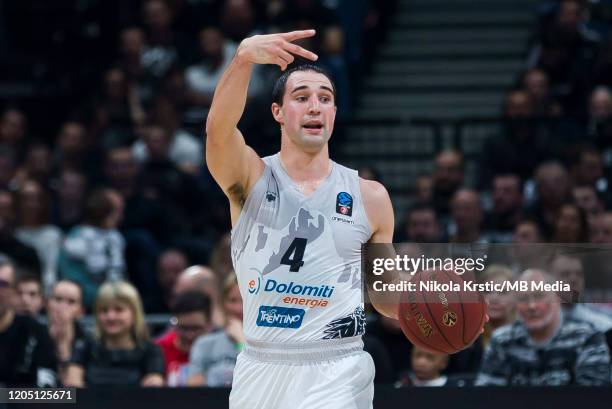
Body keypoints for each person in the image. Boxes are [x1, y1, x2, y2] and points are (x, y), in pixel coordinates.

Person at [205, 29, 398, 408]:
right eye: (302, 97)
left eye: (325, 99)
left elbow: (386, 297)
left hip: (339, 364)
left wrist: (439, 302)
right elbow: (218, 132)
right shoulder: (251, 178)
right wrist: (242, 58)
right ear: (277, 112)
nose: (315, 106)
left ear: (334, 114)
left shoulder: (370, 196)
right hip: (262, 363)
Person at [476, 269, 610, 386]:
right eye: (523, 299)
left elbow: (593, 399)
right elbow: (486, 396)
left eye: (539, 296)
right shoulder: (502, 340)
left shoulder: (587, 337)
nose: (532, 306)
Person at [64, 281, 165, 387]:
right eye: (104, 310)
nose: (111, 317)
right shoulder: (85, 346)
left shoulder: (150, 350)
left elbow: (154, 389)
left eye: (119, 310)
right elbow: (69, 392)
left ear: (134, 313)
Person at [0, 255, 57, 387]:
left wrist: (5, 396)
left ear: (14, 291)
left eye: (2, 284)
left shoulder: (36, 332)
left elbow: (49, 395)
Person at [187, 273, 243, 387]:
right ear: (223, 303)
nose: (238, 308)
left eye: (244, 300)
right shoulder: (205, 343)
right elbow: (193, 385)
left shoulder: (267, 343)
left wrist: (241, 342)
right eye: (232, 300)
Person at [156, 291, 213, 386]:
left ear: (209, 324)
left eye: (196, 328)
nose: (189, 335)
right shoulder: (159, 349)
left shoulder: (219, 350)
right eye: (183, 328)